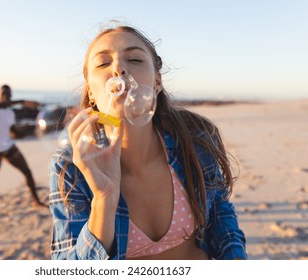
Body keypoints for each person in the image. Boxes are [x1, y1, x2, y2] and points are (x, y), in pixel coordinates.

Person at [48, 24, 247, 260]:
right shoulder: (70, 166)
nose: (119, 69)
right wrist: (104, 198)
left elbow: (221, 218)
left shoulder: (196, 138)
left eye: (134, 59)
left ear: (157, 82)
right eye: (103, 63)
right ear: (91, 91)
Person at [0, 84, 45, 220]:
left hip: (9, 147)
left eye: (8, 93)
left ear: (10, 96)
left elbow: (13, 132)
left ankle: (36, 201)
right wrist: (23, 102)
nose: (5, 95)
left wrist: (29, 131)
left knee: (27, 171)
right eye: (3, 93)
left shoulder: (9, 113)